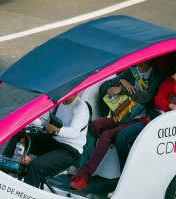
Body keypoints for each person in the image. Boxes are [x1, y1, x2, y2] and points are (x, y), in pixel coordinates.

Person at [70, 60, 164, 190]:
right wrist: (121, 81)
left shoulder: (157, 75)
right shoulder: (132, 70)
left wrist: (122, 89)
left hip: (141, 117)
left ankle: (85, 175)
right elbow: (106, 86)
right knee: (94, 125)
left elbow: (147, 97)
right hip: (123, 113)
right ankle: (81, 165)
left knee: (107, 135)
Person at [114, 52, 176, 181]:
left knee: (130, 140)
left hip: (173, 128)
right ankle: (125, 177)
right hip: (155, 119)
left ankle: (129, 179)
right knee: (122, 136)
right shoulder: (170, 80)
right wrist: (170, 105)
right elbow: (158, 100)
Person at [3, 94, 89, 199]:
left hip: (69, 151)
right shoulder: (58, 102)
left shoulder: (80, 107)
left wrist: (56, 131)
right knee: (21, 135)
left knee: (36, 166)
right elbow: (41, 121)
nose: (68, 95)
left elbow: (74, 131)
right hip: (53, 142)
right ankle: (5, 170)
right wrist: (25, 119)